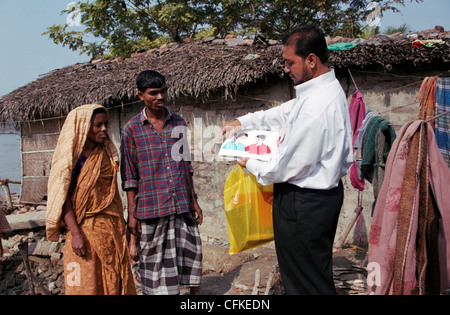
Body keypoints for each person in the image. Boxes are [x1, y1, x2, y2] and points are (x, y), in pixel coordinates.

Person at [221, 24, 353, 295]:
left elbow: (285, 167)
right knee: (312, 274)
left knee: (303, 283)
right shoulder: (322, 92)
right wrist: (243, 121)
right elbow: (284, 113)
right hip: (316, 201)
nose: (285, 68)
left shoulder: (317, 106)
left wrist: (250, 162)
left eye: (290, 62)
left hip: (303, 204)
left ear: (311, 60)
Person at [120, 70, 203, 295]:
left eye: (163, 91)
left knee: (191, 256)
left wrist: (193, 199)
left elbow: (185, 165)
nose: (160, 97)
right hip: (152, 207)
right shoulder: (132, 129)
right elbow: (129, 177)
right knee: (156, 266)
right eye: (153, 93)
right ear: (140, 95)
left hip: (180, 203)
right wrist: (132, 214)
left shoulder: (178, 122)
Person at [46, 104, 136, 295]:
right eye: (97, 125)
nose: (104, 129)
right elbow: (63, 198)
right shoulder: (72, 160)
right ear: (83, 127)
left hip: (112, 230)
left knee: (114, 280)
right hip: (85, 232)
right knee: (86, 284)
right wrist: (76, 234)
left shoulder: (106, 154)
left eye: (105, 124)